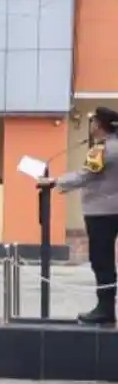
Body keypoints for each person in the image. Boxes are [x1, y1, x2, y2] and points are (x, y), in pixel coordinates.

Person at [41, 107, 118, 325]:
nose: (91, 126)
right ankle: (106, 308)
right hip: (113, 211)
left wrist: (55, 182)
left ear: (99, 125)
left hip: (100, 213)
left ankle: (105, 310)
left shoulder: (102, 150)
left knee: (101, 261)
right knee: (106, 261)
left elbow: (85, 176)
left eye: (93, 122)